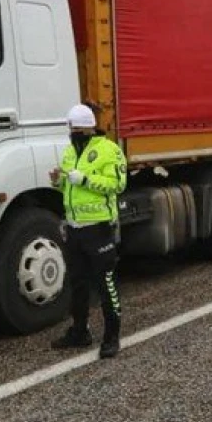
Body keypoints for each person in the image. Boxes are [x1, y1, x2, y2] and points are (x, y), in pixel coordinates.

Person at [49, 104, 128, 359]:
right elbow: (70, 190)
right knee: (77, 282)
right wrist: (59, 181)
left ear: (86, 127)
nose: (71, 133)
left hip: (99, 227)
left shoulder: (109, 150)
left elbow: (118, 184)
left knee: (105, 283)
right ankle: (80, 331)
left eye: (74, 129)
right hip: (75, 228)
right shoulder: (70, 152)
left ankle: (112, 337)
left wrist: (83, 179)